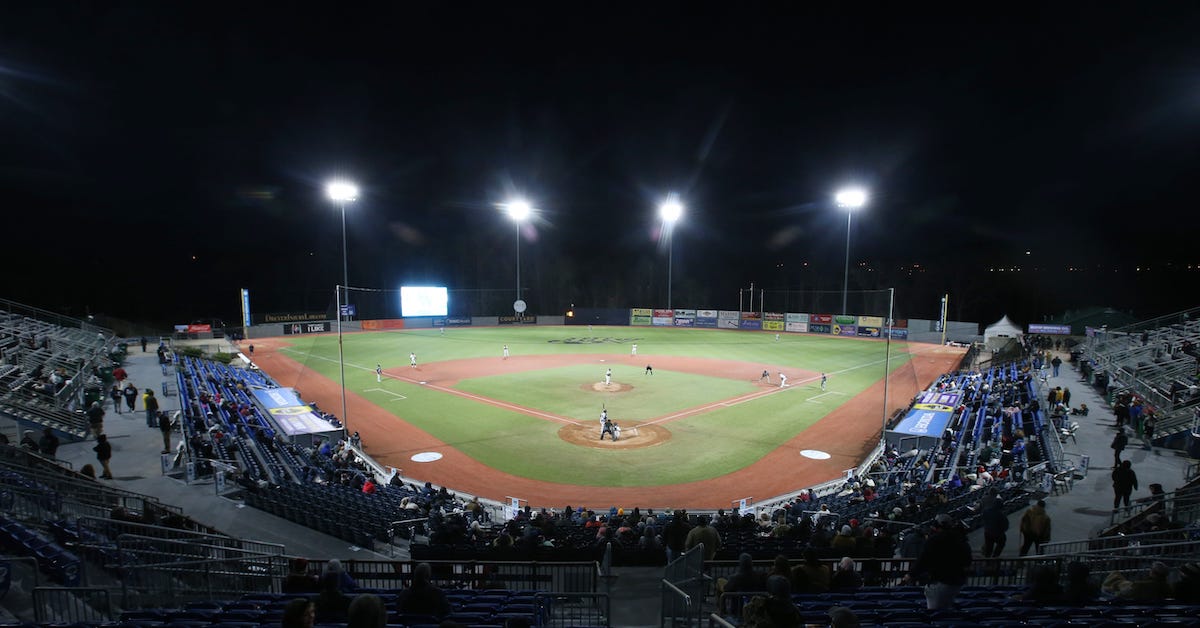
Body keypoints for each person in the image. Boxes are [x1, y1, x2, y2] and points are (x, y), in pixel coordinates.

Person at [904, 514, 972, 610]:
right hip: (957, 582)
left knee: (935, 612)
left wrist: (911, 574)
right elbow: (967, 561)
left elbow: (924, 560)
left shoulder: (935, 540)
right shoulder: (961, 539)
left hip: (940, 581)